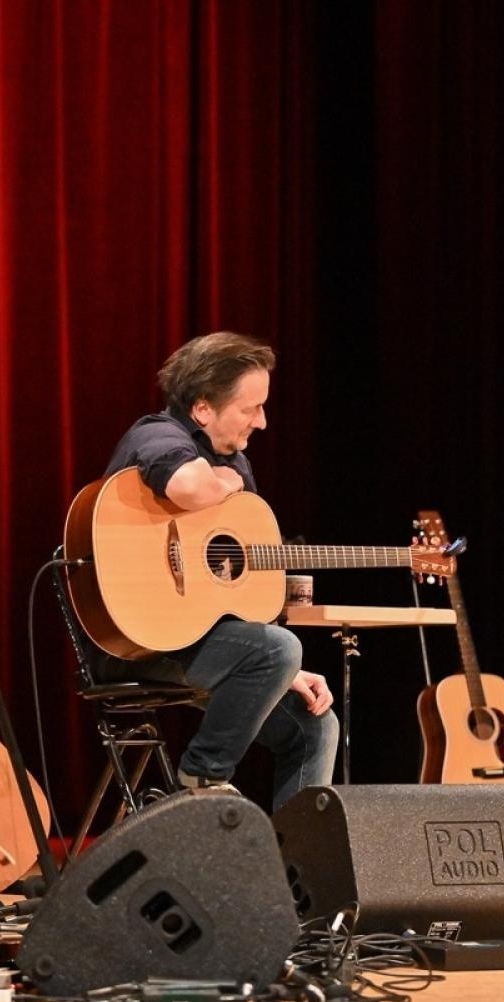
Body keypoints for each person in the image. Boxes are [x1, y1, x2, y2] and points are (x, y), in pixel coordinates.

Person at [91, 332, 338, 811]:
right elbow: (188, 486)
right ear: (203, 408)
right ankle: (204, 777)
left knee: (316, 724)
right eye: (251, 408)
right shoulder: (156, 434)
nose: (262, 422)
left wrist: (283, 673)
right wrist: (222, 480)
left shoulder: (234, 463)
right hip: (138, 644)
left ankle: (297, 872)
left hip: (198, 642)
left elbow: (229, 600)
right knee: (279, 645)